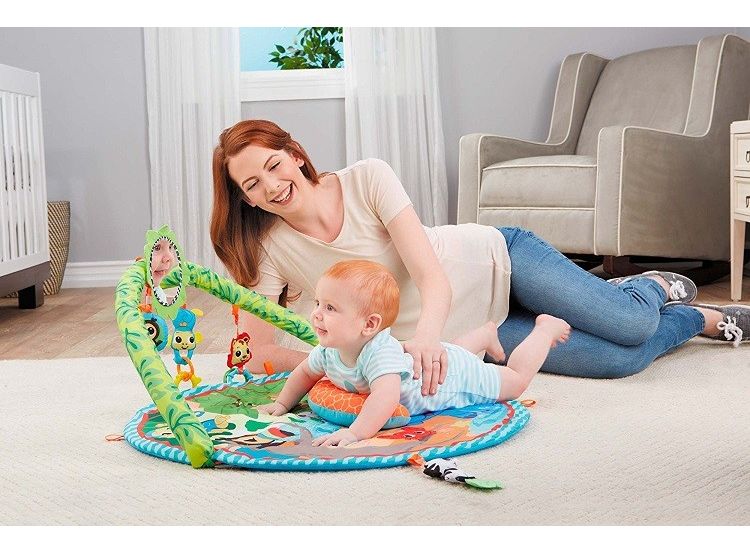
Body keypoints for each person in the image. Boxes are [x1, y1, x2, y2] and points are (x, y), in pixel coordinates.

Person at [209, 119, 749, 391]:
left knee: (630, 324)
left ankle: (648, 287)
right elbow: (251, 352)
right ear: (246, 199)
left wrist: (423, 341)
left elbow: (431, 278)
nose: (271, 186)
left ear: (295, 154)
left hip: (500, 262)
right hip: (474, 333)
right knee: (618, 361)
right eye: (252, 184)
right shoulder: (267, 248)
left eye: (274, 165)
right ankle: (694, 319)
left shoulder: (367, 179)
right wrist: (333, 367)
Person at [257, 260, 571, 446]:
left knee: (515, 381)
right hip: (434, 361)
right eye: (317, 304)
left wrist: (355, 433)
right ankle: (484, 334)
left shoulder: (378, 354)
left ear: (369, 325)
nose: (316, 314)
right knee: (450, 352)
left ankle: (544, 330)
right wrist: (283, 403)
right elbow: (305, 373)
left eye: (330, 308)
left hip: (454, 380)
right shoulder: (329, 349)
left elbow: (385, 398)